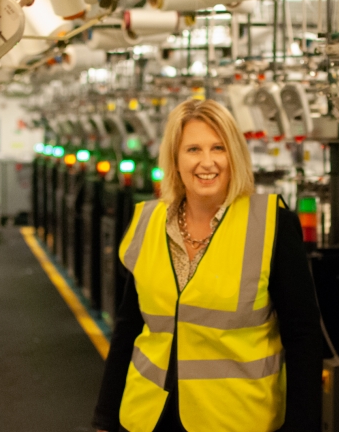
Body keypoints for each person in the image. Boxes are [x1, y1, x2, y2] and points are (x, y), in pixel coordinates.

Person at [92, 99, 322, 432]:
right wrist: (104, 417)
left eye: (218, 148)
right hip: (148, 416)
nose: (207, 162)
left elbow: (303, 337)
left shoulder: (272, 224)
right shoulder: (149, 221)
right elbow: (128, 326)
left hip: (236, 420)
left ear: (235, 156)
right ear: (175, 158)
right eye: (193, 150)